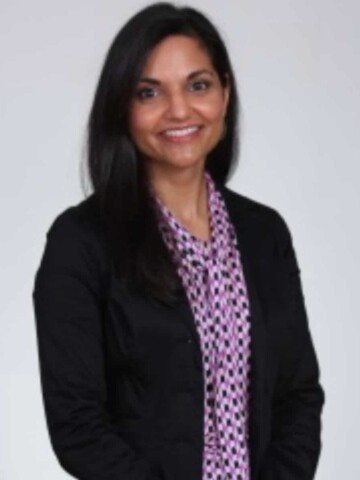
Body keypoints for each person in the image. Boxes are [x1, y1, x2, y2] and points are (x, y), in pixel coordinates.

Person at [32, 3, 325, 480]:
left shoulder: (265, 233)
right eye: (149, 92)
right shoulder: (80, 243)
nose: (180, 110)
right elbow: (77, 425)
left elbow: (297, 396)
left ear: (225, 94)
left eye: (198, 85)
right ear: (121, 109)